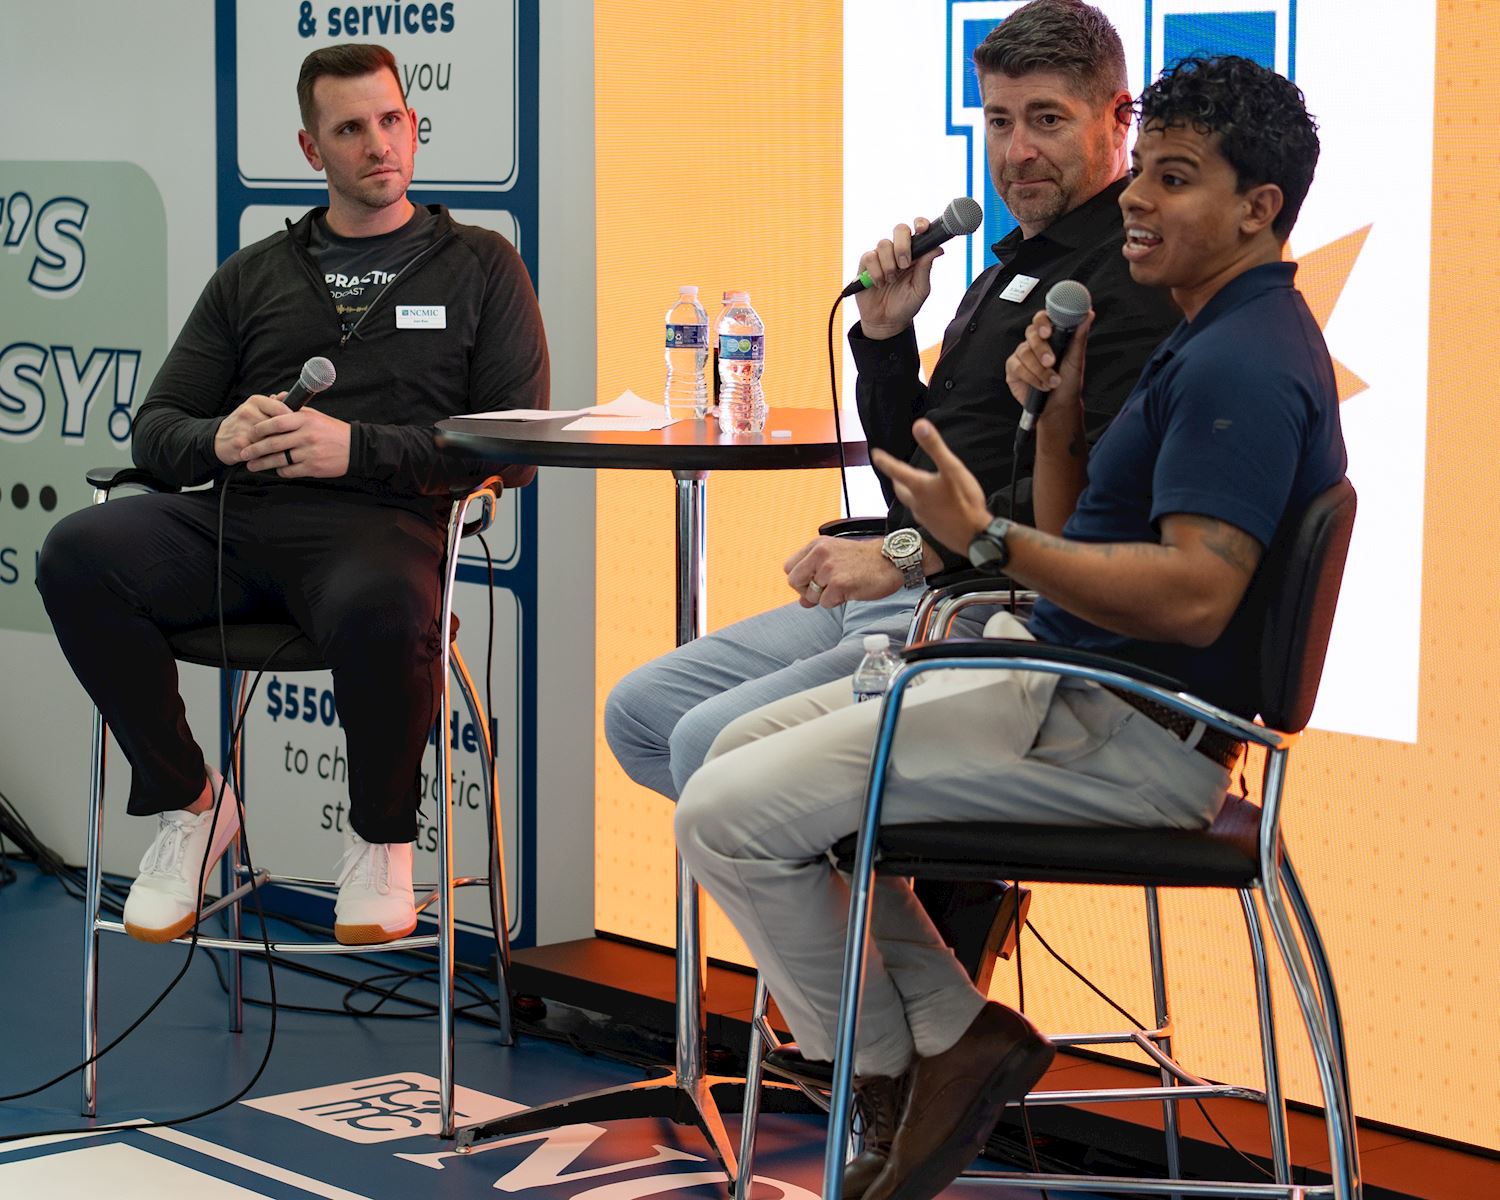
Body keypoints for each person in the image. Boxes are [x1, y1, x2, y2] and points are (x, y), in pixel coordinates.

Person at [675, 55, 1343, 1200]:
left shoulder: (1243, 362)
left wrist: (988, 543)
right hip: (1068, 690)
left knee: (724, 814)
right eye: (1145, 172)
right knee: (727, 760)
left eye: (1173, 179)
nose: (1136, 198)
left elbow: (1192, 595)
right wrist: (1059, 412)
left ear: (1258, 209)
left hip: (1126, 738)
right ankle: (951, 1045)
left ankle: (885, 1079)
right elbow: (1083, 522)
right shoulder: (1209, 326)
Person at [605, 0, 1178, 983]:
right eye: (997, 122)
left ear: (1115, 119)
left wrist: (904, 555)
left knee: (709, 747)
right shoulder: (1013, 267)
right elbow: (921, 465)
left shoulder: (1118, 284)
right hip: (903, 585)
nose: (1016, 151)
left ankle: (887, 1026)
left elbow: (1070, 517)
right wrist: (882, 338)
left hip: (974, 612)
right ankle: (916, 976)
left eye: (1045, 119)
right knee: (641, 715)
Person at [35, 43, 549, 947]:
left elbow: (513, 446)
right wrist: (216, 437)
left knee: (389, 603)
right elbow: (157, 427)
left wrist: (353, 449)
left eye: (392, 121)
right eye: (350, 128)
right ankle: (193, 805)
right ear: (312, 150)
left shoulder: (480, 265)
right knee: (77, 552)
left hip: (381, 530)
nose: (377, 144)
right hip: (237, 523)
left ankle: (381, 841)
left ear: (414, 127)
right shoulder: (255, 274)